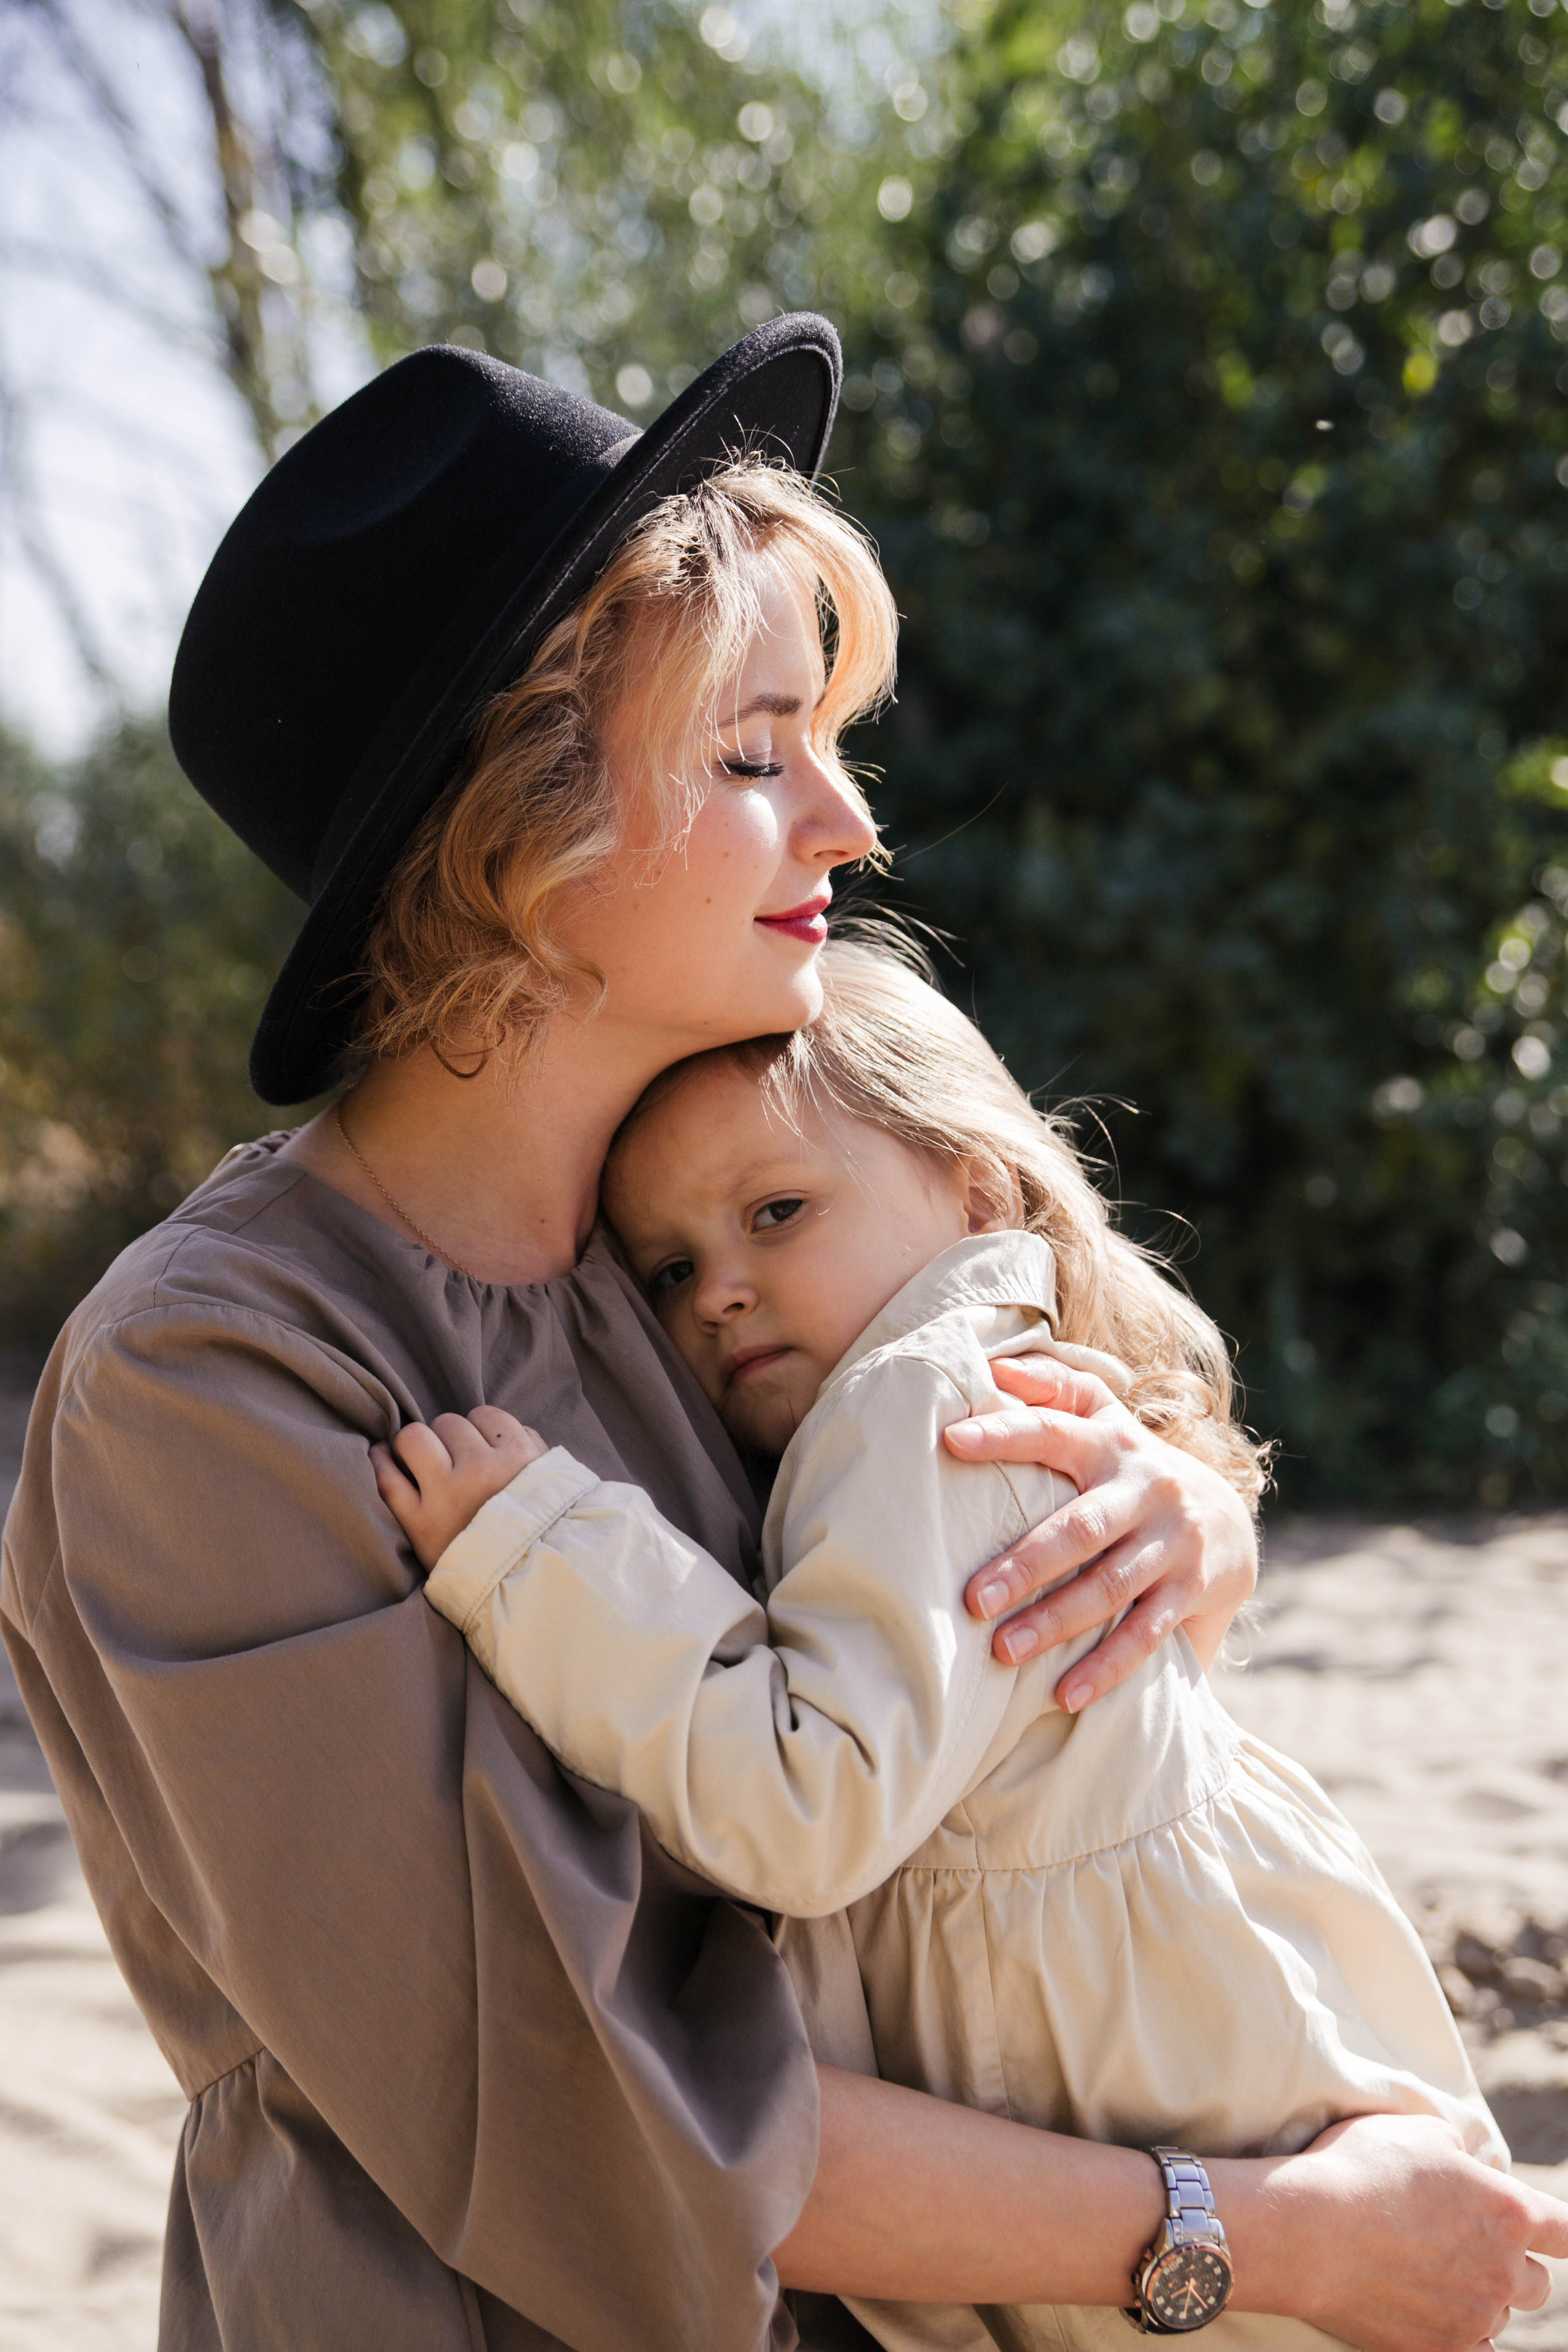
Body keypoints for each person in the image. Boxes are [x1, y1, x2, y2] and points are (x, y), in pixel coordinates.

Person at [1, 318, 1562, 2352]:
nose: (848, 823)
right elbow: (609, 2103)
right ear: (511, 835)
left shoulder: (724, 1234)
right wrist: (1265, 2236)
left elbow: (985, 1577)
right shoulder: (206, 1391)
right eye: (751, 754)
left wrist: (1175, 1523)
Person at [380, 934, 1506, 2352]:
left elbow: (807, 1802)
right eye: (669, 1267)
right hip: (1189, 2081)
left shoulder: (927, 1400)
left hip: (1201, 2108)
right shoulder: (915, 1415)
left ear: (974, 1184)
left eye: (777, 1211)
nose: (716, 1289)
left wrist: (538, 1555)